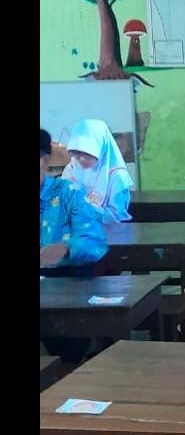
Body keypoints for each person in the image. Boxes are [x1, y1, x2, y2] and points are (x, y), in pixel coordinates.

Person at [40, 128, 109, 363]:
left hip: (66, 282)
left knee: (66, 348)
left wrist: (65, 248)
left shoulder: (67, 193)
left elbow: (94, 241)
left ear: (44, 162)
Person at [61, 118, 134, 223]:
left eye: (87, 152)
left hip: (108, 231)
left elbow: (117, 215)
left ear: (101, 148)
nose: (80, 158)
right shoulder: (71, 169)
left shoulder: (118, 176)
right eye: (75, 152)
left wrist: (90, 210)